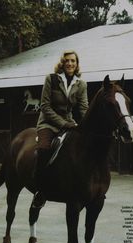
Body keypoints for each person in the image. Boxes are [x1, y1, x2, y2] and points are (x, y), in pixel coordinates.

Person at [32, 50, 89, 208]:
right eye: (67, 61)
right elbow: (45, 106)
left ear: (77, 64)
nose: (70, 63)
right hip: (48, 123)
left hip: (69, 122)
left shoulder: (81, 84)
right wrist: (64, 124)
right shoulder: (51, 79)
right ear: (62, 63)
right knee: (43, 149)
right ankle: (40, 191)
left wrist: (87, 125)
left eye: (73, 61)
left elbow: (84, 109)